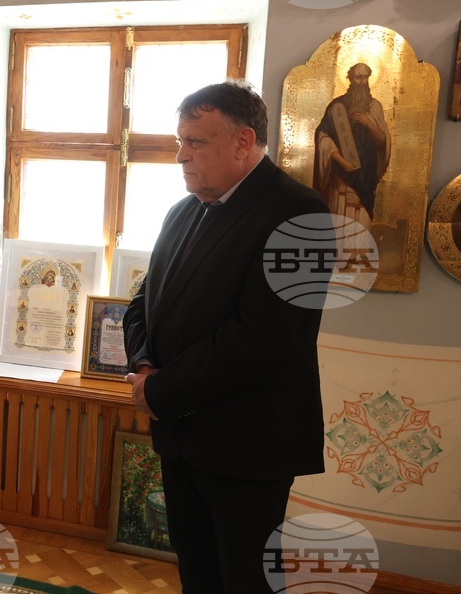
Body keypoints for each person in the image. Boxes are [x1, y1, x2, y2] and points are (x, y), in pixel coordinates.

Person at [122, 81, 329, 592]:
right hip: (181, 436)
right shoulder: (183, 210)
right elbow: (142, 304)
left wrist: (159, 392)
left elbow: (262, 338)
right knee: (197, 570)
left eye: (195, 142)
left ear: (243, 142)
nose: (180, 156)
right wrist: (145, 365)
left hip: (248, 442)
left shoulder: (301, 214)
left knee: (245, 580)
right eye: (179, 140)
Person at [313, 62, 390, 231]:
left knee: (361, 219)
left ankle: (358, 257)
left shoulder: (375, 107)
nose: (362, 82)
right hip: (341, 176)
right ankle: (337, 257)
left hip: (366, 176)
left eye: (365, 77)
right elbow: (323, 137)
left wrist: (367, 123)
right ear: (350, 78)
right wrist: (340, 160)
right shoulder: (337, 107)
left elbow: (383, 142)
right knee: (340, 217)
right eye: (358, 77)